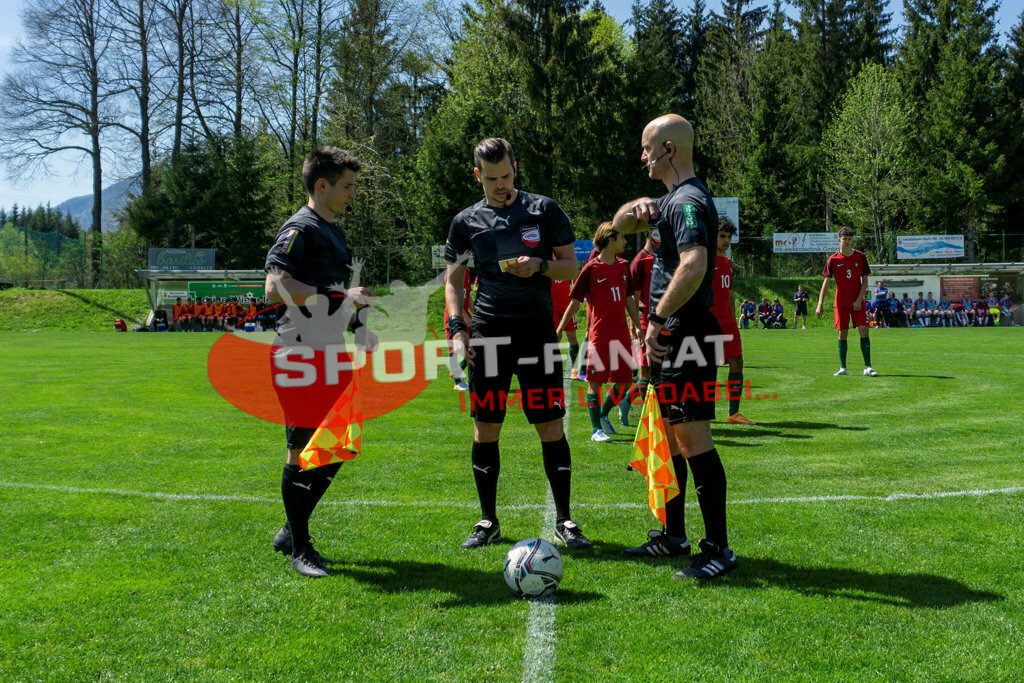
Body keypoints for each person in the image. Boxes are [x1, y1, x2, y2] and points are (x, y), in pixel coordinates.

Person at [444, 137, 591, 551]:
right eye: (491, 179)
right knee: (486, 427)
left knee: (550, 425)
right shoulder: (465, 222)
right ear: (478, 176)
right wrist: (457, 329)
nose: (501, 184)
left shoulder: (544, 210)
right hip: (488, 334)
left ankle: (565, 519)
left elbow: (569, 268)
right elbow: (453, 282)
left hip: (536, 333)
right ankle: (487, 520)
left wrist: (540, 265)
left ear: (515, 168)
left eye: (506, 175)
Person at [612, 113, 736, 580]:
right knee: (668, 434)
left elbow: (695, 264)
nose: (641, 156)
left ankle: (717, 549)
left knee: (693, 439)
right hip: (673, 331)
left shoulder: (687, 201)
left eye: (647, 148)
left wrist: (658, 319)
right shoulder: (670, 199)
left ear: (668, 150)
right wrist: (638, 205)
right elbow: (617, 224)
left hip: (684, 331)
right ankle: (673, 535)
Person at [263, 146, 374, 578]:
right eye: (347, 186)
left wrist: (359, 322)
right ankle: (301, 549)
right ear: (322, 185)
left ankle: (293, 528)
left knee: (339, 444)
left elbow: (339, 295)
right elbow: (275, 287)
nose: (352, 194)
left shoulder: (335, 232)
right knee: (302, 450)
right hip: (298, 352)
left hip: (330, 351)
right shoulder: (300, 228)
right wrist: (337, 297)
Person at [556, 223, 639, 442]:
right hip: (599, 335)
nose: (625, 241)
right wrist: (560, 328)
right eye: (621, 237)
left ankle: (602, 415)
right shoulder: (591, 269)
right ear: (610, 239)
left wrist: (637, 325)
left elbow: (629, 299)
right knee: (595, 382)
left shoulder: (624, 266)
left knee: (624, 383)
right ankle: (595, 430)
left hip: (621, 335)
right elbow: (575, 303)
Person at [815, 227, 878, 377]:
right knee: (842, 333)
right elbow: (826, 282)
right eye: (845, 239)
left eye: (850, 239)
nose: (847, 241)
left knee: (864, 330)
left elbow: (865, 281)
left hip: (857, 302)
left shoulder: (860, 256)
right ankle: (843, 368)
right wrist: (820, 304)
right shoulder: (833, 259)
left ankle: (868, 367)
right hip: (841, 302)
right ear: (839, 240)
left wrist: (859, 299)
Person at [711, 217, 755, 425]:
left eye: (728, 237)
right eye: (722, 236)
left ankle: (733, 414)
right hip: (708, 322)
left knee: (737, 362)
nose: (726, 241)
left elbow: (729, 294)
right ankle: (703, 413)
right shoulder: (704, 261)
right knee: (707, 369)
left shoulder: (727, 263)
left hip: (727, 323)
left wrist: (732, 320)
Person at [627, 233, 658, 425]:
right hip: (647, 321)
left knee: (659, 371)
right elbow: (633, 298)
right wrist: (634, 327)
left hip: (664, 321)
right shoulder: (640, 261)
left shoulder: (664, 257)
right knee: (645, 372)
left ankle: (652, 415)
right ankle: (624, 403)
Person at [445, 267, 475, 391]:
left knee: (470, 347)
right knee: (455, 349)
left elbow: (467, 297)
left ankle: (457, 373)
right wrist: (463, 315)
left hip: (465, 315)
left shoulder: (466, 271)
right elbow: (451, 296)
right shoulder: (453, 270)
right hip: (454, 316)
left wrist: (475, 313)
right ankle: (457, 382)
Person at [551, 278, 581, 379]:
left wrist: (576, 301)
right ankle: (551, 367)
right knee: (552, 338)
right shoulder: (546, 263)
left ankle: (575, 369)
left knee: (572, 337)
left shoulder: (567, 262)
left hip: (567, 303)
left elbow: (574, 279)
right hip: (551, 304)